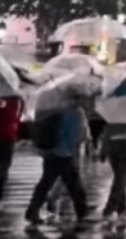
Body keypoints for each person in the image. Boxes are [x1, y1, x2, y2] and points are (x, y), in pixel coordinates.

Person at [25, 93, 91, 227]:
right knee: (75, 186)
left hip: (50, 151)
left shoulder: (53, 110)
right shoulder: (76, 112)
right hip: (64, 153)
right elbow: (75, 137)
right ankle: (82, 212)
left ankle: (32, 211)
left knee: (45, 184)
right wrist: (75, 154)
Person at [100, 119, 126, 223]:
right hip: (125, 148)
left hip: (113, 149)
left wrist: (103, 152)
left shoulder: (110, 122)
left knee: (120, 177)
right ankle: (112, 206)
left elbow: (106, 136)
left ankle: (121, 204)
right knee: (121, 179)